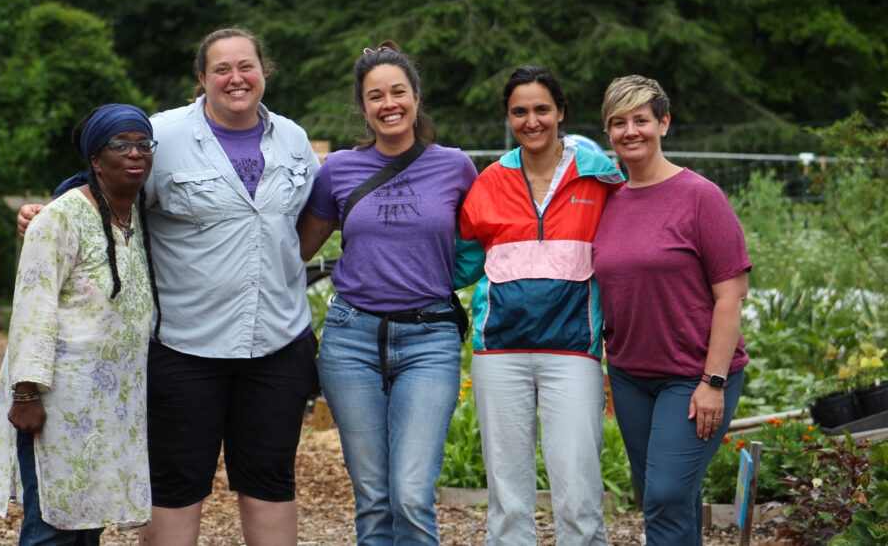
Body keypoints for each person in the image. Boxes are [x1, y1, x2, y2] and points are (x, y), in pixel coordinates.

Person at [17, 28, 320, 546]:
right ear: (202, 79)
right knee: (174, 486)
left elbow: (310, 222)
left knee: (271, 479)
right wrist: (49, 212)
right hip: (185, 348)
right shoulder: (163, 135)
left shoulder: (292, 139)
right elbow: (102, 187)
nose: (236, 78)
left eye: (246, 66)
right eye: (221, 69)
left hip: (276, 342)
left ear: (264, 72)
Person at [296, 42, 478, 544]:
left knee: (412, 495)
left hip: (429, 338)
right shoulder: (337, 170)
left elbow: (490, 239)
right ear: (363, 106)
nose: (389, 103)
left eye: (399, 91)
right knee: (373, 499)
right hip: (351, 339)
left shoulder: (456, 167)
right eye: (376, 95)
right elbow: (296, 249)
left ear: (417, 98)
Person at [454, 65, 624, 546]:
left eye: (542, 109)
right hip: (499, 352)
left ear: (561, 112)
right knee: (507, 492)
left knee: (578, 486)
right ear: (508, 117)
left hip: (572, 349)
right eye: (520, 111)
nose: (532, 121)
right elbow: (462, 261)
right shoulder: (489, 181)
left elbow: (631, 246)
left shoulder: (598, 178)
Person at [0, 104, 160, 544]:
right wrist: (26, 393)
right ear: (95, 159)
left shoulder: (136, 217)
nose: (134, 154)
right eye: (120, 145)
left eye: (143, 144)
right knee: (52, 525)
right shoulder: (58, 220)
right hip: (57, 403)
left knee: (88, 521)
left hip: (111, 405)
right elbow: (31, 310)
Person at [592, 75, 751, 546]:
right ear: (608, 132)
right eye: (617, 123)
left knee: (664, 493)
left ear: (663, 123)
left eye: (641, 119)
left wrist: (713, 383)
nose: (630, 131)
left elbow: (730, 295)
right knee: (661, 498)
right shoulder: (607, 200)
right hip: (629, 374)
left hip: (693, 374)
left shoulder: (700, 196)